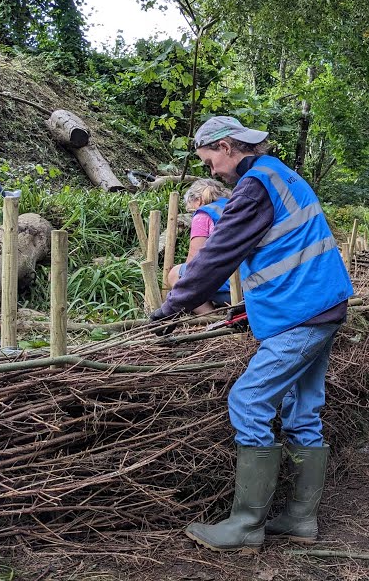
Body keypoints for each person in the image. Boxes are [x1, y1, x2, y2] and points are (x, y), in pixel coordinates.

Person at [150, 115, 354, 551]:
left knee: (248, 399)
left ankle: (245, 525)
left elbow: (218, 254)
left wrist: (172, 306)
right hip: (318, 303)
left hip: (300, 312)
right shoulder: (279, 175)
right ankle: (300, 519)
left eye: (209, 161)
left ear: (226, 146)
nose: (211, 171)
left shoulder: (255, 184)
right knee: (303, 411)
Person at [164, 178, 233, 315]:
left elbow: (194, 262)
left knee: (175, 274)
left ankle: (211, 318)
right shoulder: (236, 205)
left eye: (191, 208)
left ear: (198, 200)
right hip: (256, 283)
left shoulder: (204, 214)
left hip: (229, 289)